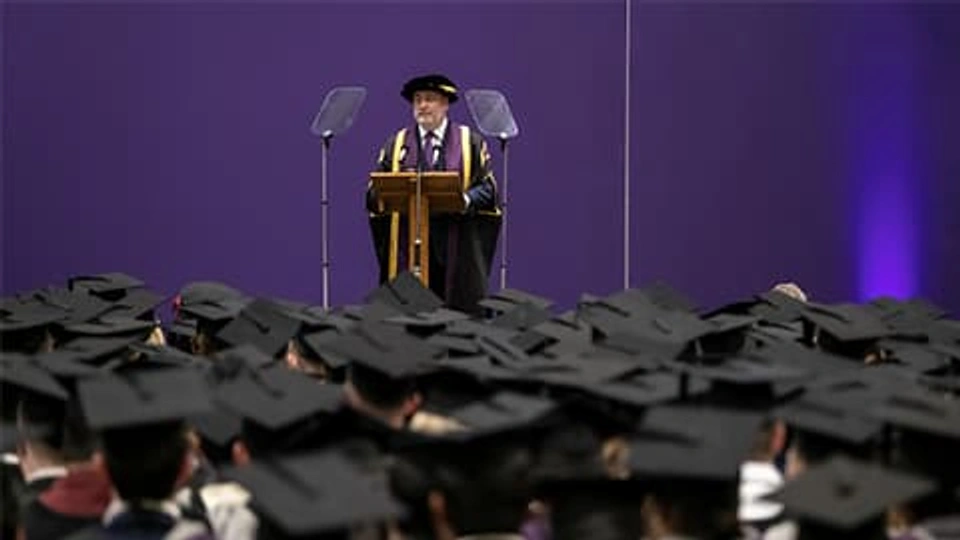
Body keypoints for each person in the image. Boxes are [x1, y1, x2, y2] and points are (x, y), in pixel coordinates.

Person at [366, 73, 501, 315]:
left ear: (446, 104)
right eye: (417, 100)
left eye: (430, 99)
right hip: (410, 243)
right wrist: (382, 195)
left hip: (455, 243)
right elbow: (374, 192)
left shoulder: (470, 142)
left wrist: (465, 199)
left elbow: (488, 189)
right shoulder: (396, 144)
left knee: (457, 314)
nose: (422, 105)